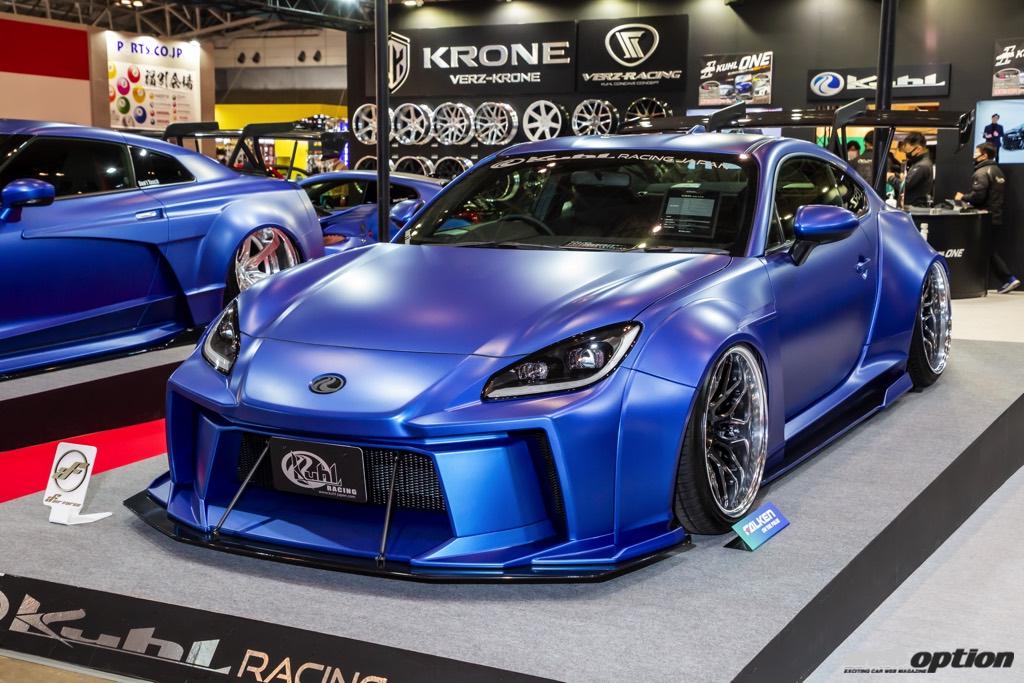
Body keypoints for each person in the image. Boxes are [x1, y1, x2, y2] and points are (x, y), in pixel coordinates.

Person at [956, 143, 1018, 293]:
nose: (974, 155)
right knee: (987, 250)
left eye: (976, 152)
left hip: (984, 218)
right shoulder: (997, 171)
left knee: (987, 250)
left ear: (984, 155)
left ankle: (1008, 278)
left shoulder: (982, 172)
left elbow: (978, 196)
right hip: (996, 216)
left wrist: (962, 197)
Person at [900, 132, 933, 207]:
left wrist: (890, 178)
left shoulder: (922, 165)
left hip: (916, 207)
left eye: (908, 152)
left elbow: (906, 185)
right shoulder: (919, 162)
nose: (907, 155)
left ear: (918, 149)